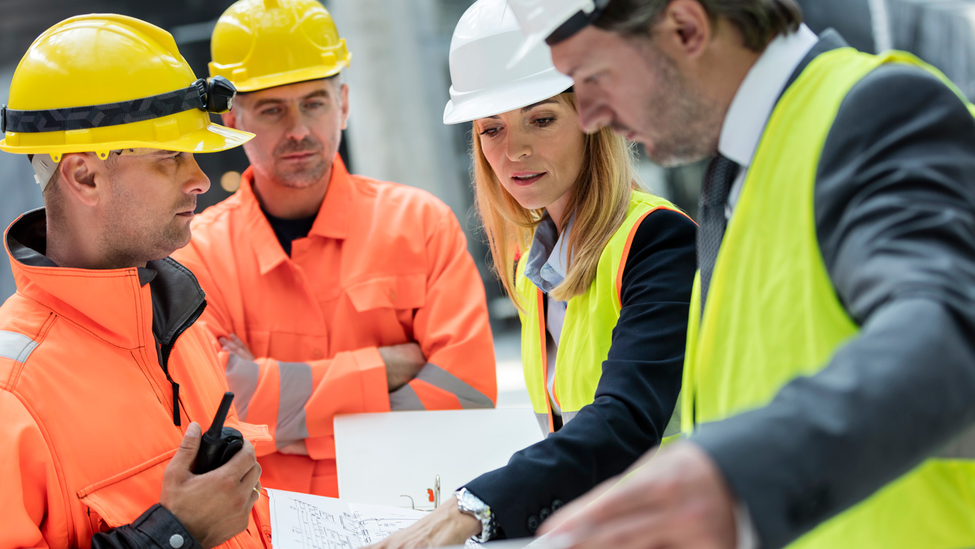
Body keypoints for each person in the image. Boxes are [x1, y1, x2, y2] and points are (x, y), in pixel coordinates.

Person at [501, 0, 975, 548]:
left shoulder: (880, 111)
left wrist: (738, 476)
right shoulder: (737, 169)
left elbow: (949, 330)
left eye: (593, 75)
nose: (589, 115)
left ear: (685, 28)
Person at [371, 1, 696, 546]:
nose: (514, 150)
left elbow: (625, 422)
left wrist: (473, 509)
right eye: (490, 129)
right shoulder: (533, 265)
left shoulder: (658, 241)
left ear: (593, 117)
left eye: (541, 119)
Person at [170, 0, 497, 498]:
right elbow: (214, 417)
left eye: (314, 103)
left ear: (343, 103)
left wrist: (285, 423)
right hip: (270, 525)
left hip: (405, 509)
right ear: (233, 119)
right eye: (273, 109)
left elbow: (467, 394)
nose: (298, 128)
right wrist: (384, 368)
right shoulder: (196, 256)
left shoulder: (420, 224)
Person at [0, 14, 273, 549]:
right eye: (171, 157)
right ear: (85, 176)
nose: (198, 179)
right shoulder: (13, 395)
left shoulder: (175, 323)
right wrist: (175, 534)